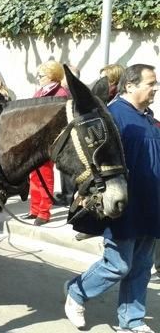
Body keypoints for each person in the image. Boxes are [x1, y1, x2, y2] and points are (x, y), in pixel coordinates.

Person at [64, 64, 160, 333]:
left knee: (141, 267)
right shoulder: (113, 117)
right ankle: (77, 291)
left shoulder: (150, 119)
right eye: (150, 83)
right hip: (124, 205)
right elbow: (91, 161)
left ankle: (131, 322)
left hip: (151, 205)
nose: (155, 88)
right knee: (118, 265)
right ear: (130, 85)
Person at [23, 60, 69, 226]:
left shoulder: (60, 93)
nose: (39, 78)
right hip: (35, 139)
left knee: (45, 177)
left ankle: (44, 212)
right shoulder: (42, 91)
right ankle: (34, 209)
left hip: (47, 141)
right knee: (34, 176)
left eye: (41, 75)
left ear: (51, 76)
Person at [56, 64, 81, 207]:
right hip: (68, 132)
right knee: (64, 167)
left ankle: (68, 196)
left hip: (69, 133)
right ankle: (66, 194)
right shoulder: (69, 90)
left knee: (67, 167)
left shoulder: (70, 91)